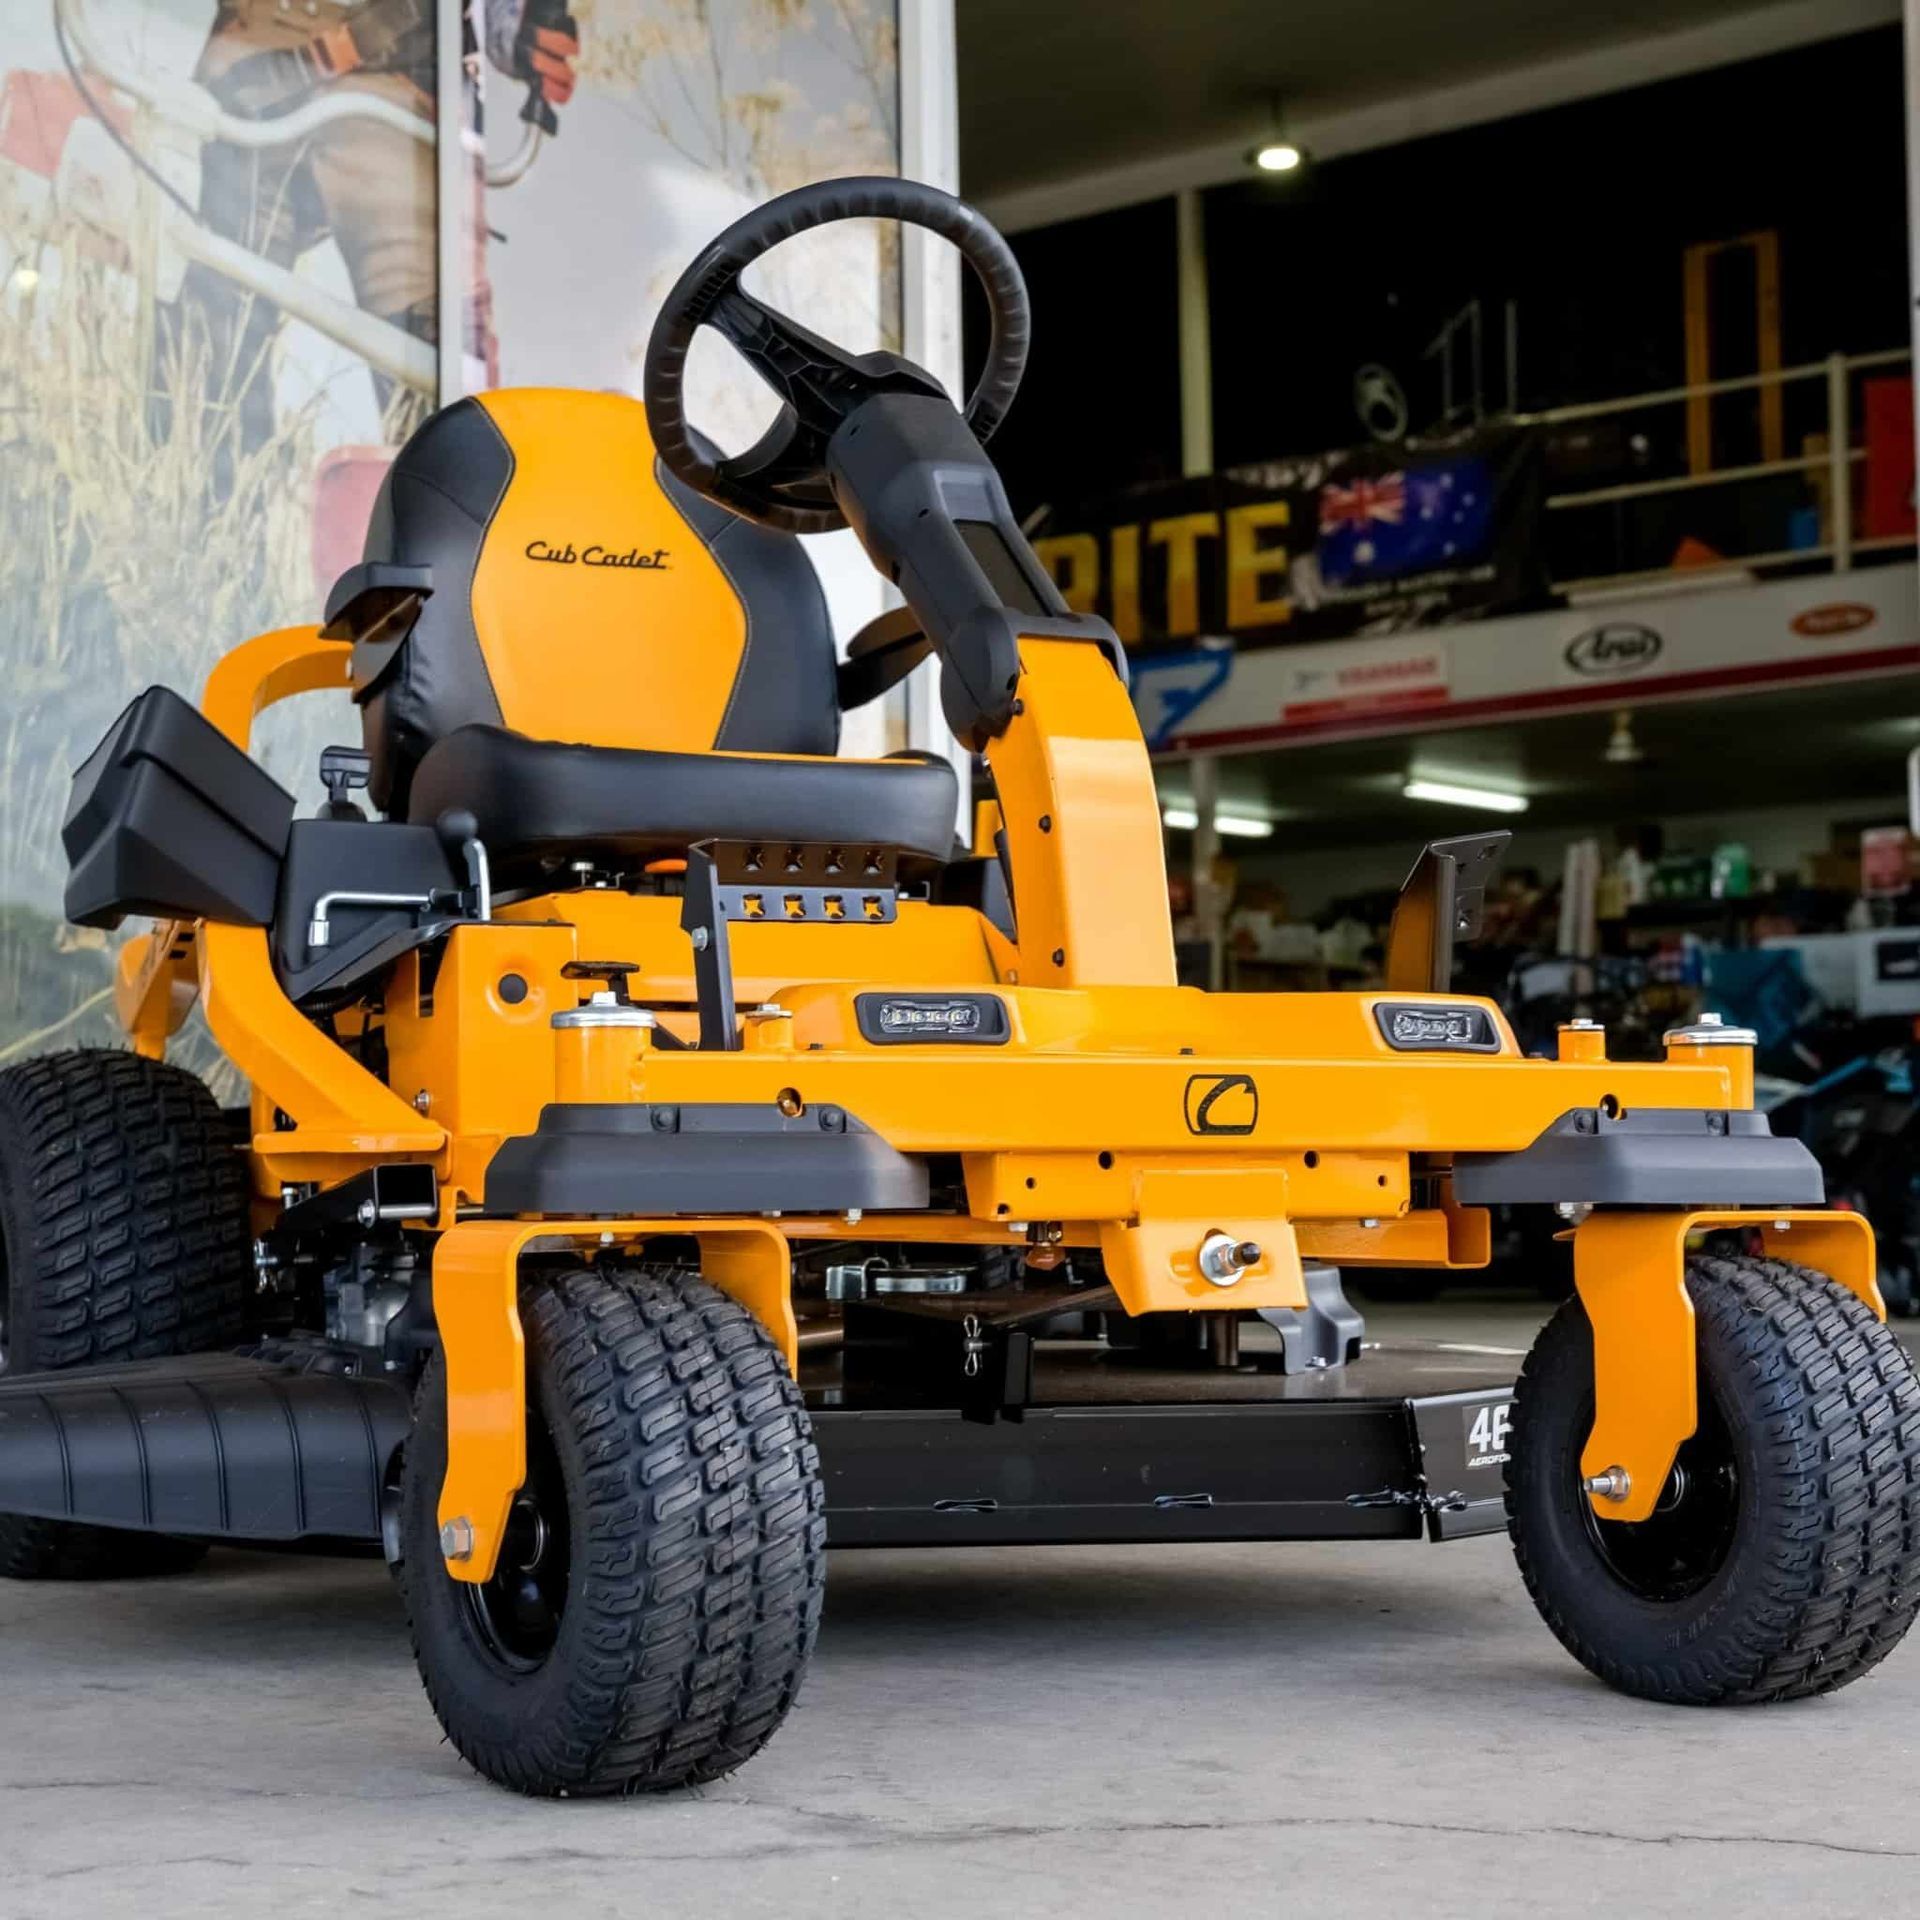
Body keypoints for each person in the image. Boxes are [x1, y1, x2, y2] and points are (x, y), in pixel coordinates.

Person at [154, 0, 578, 473]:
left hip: (390, 95)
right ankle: (203, 517)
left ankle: (439, 515)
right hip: (256, 79)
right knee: (209, 365)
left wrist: (517, 30)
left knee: (432, 390)